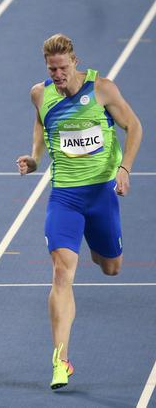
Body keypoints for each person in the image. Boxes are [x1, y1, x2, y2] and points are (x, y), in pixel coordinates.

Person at [17, 34, 142, 390]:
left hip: (101, 195)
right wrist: (35, 157)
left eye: (62, 68)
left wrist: (125, 169)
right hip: (65, 198)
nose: (57, 75)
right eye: (51, 69)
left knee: (111, 267)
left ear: (75, 62)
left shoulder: (102, 89)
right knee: (61, 273)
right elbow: (41, 121)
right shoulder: (40, 93)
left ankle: (96, 244)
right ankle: (61, 360)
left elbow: (134, 127)